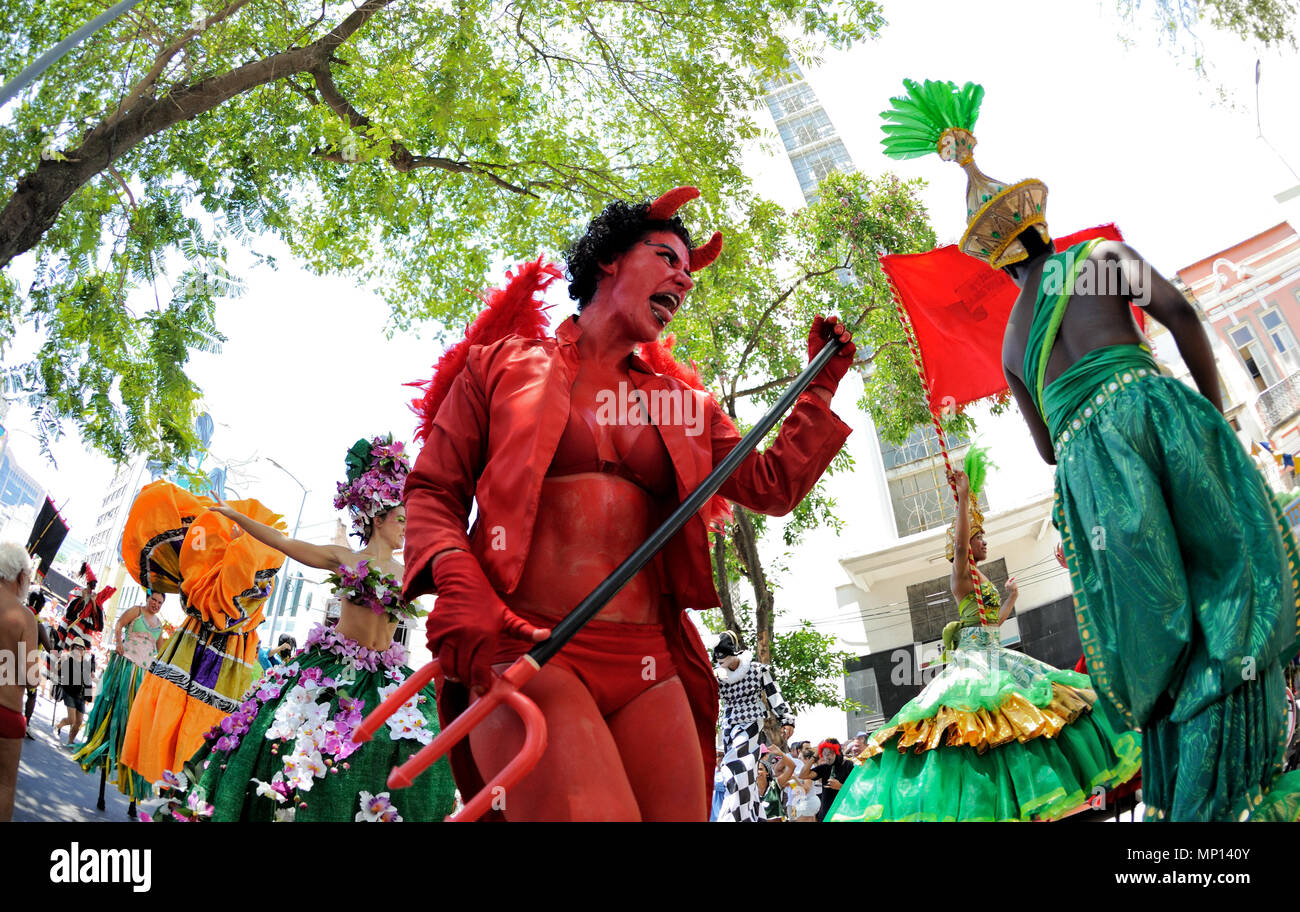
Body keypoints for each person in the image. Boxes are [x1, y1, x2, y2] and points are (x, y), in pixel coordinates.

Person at [880, 78, 1300, 821]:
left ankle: (1195, 801)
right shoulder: (1101, 257)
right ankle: (1247, 771)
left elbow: (1044, 446)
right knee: (1225, 575)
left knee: (1155, 626)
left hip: (1088, 466)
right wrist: (1207, 407)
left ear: (998, 263)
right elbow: (1178, 312)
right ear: (1043, 223)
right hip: (1156, 412)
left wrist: (1086, 430)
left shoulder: (1013, 343)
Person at [403, 186, 856, 821]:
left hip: (650, 665)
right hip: (532, 650)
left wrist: (819, 388)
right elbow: (432, 491)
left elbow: (771, 485)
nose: (684, 279)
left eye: (688, 270)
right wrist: (458, 585)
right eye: (669, 256)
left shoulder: (679, 402)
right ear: (611, 258)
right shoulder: (499, 366)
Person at [149, 436, 456, 821]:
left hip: (386, 678)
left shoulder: (412, 569)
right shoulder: (344, 557)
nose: (406, 529)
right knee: (290, 746)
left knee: (426, 741)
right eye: (400, 519)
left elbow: (461, 582)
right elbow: (283, 541)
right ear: (378, 518)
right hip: (331, 669)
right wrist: (235, 515)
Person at [825, 456, 1140, 821]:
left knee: (1030, 720)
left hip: (996, 653)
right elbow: (958, 548)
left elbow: (991, 625)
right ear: (966, 544)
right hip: (975, 664)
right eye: (979, 538)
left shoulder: (981, 580)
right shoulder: (960, 576)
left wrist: (1010, 601)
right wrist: (961, 501)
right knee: (982, 728)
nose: (984, 543)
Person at [73, 590, 166, 816]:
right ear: (148, 599)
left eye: (160, 602)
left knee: (138, 725)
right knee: (116, 715)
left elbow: (162, 650)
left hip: (142, 676)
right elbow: (118, 625)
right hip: (125, 667)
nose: (155, 604)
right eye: (154, 600)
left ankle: (134, 795)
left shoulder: (159, 625)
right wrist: (118, 643)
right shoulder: (136, 611)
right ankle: (105, 763)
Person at [713, 630, 797, 822]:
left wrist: (787, 718)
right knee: (740, 775)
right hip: (729, 726)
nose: (722, 663)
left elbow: (774, 693)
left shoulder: (757, 669)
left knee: (741, 767)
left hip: (751, 721)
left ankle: (732, 818)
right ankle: (755, 817)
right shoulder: (717, 676)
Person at [0, 544, 40, 821]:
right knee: (4, 786)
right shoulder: (26, 617)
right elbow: (30, 677)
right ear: (20, 576)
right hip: (7, 713)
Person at [53, 632, 96, 745]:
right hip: (69, 692)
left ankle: (70, 741)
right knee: (72, 719)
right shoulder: (67, 658)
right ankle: (58, 726)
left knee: (78, 722)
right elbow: (57, 671)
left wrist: (88, 696)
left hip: (81, 695)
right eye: (76, 647)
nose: (78, 649)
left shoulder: (88, 661)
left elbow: (90, 679)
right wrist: (61, 661)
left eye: (81, 647)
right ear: (72, 648)